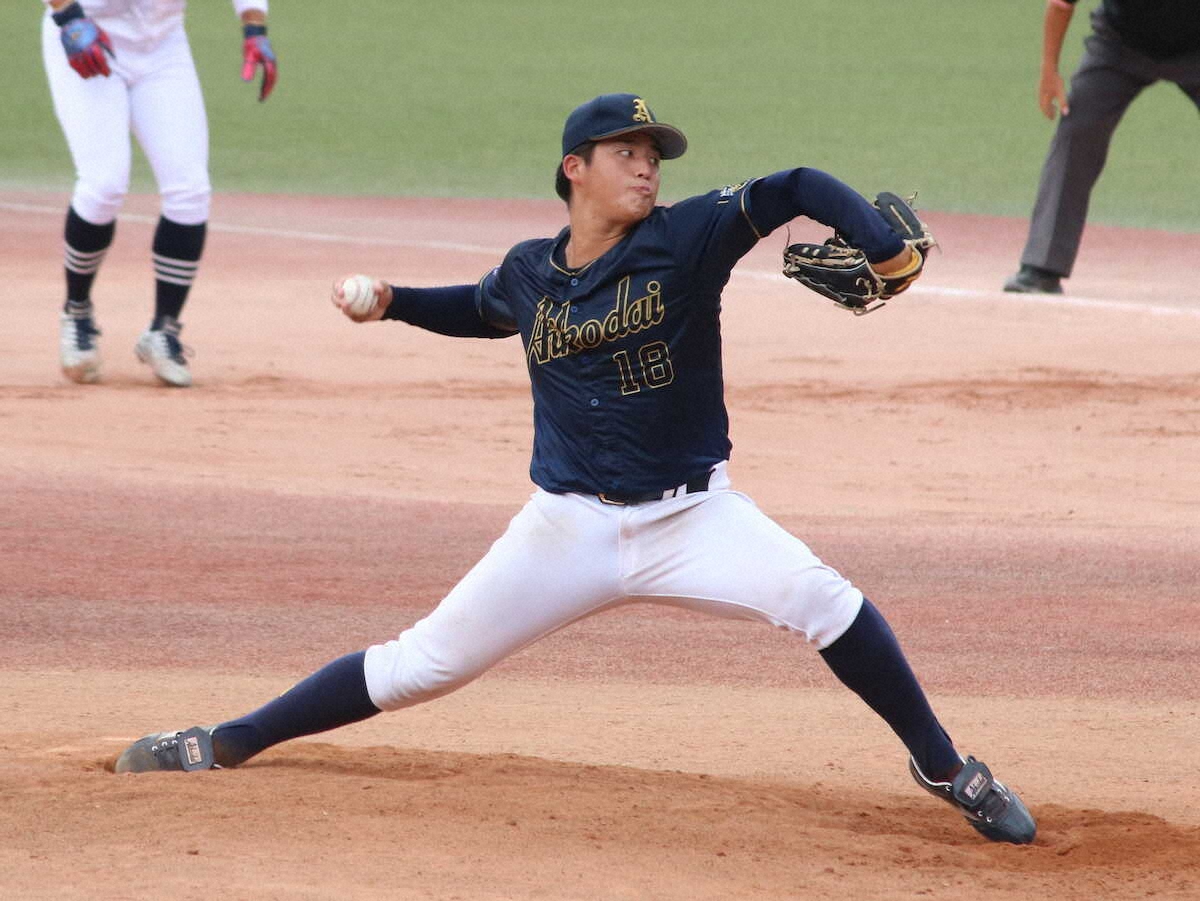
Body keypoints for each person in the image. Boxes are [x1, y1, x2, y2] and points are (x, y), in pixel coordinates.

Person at [114, 93, 1036, 845]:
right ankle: (228, 738)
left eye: (653, 155)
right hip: (566, 527)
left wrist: (876, 237)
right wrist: (393, 302)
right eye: (625, 152)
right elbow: (481, 309)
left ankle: (943, 766)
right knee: (420, 665)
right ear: (574, 169)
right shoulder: (529, 272)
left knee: (824, 599)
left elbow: (794, 185)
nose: (647, 167)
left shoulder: (689, 236)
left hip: (693, 519)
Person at [41, 0, 278, 387]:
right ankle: (77, 311)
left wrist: (254, 28)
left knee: (190, 190)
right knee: (104, 184)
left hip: (163, 44)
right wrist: (67, 16)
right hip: (86, 30)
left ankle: (163, 331)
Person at [1004, 0, 1200, 294]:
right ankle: (1042, 266)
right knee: (1078, 127)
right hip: (1120, 46)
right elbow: (1060, 4)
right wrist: (1049, 70)